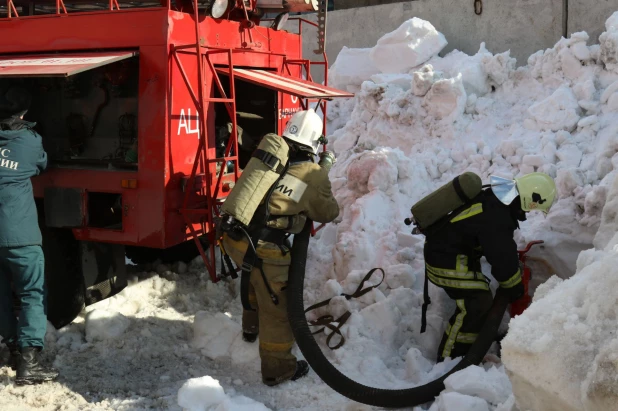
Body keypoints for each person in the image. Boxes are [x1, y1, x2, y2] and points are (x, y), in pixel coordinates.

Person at [221, 109, 339, 386]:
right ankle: (277, 369)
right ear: (315, 141)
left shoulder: (271, 154)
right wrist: (323, 173)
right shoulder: (312, 173)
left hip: (235, 237)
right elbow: (328, 212)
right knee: (277, 310)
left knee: (252, 278)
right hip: (267, 247)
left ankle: (250, 329)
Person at [423, 172, 556, 362]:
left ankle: (468, 349)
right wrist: (514, 286)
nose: (528, 213)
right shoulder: (497, 214)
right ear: (529, 199)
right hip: (445, 260)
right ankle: (449, 358)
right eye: (533, 208)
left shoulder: (496, 200)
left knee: (479, 298)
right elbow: (501, 254)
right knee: (478, 301)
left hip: (450, 254)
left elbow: (499, 247)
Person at [0, 85, 58, 385]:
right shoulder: (29, 141)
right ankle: (30, 362)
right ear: (24, 112)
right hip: (20, 235)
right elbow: (42, 165)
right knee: (31, 294)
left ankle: (10, 350)